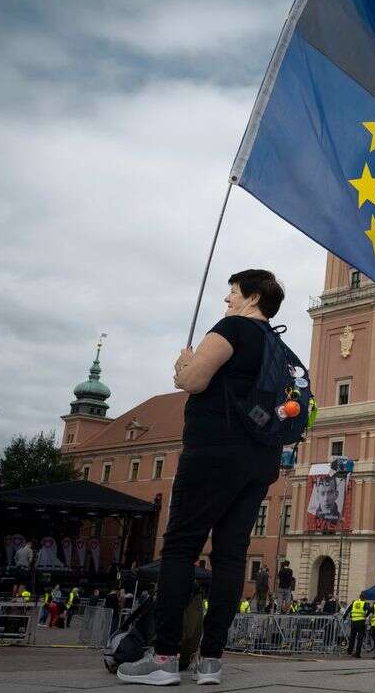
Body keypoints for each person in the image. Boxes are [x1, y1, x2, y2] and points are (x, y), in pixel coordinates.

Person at [117, 270, 286, 687]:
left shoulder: (231, 328)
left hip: (214, 452)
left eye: (232, 292)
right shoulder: (278, 345)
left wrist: (182, 365)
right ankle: (211, 661)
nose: (227, 300)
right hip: (260, 459)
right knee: (230, 556)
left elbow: (193, 381)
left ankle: (164, 658)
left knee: (180, 549)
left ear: (252, 297)